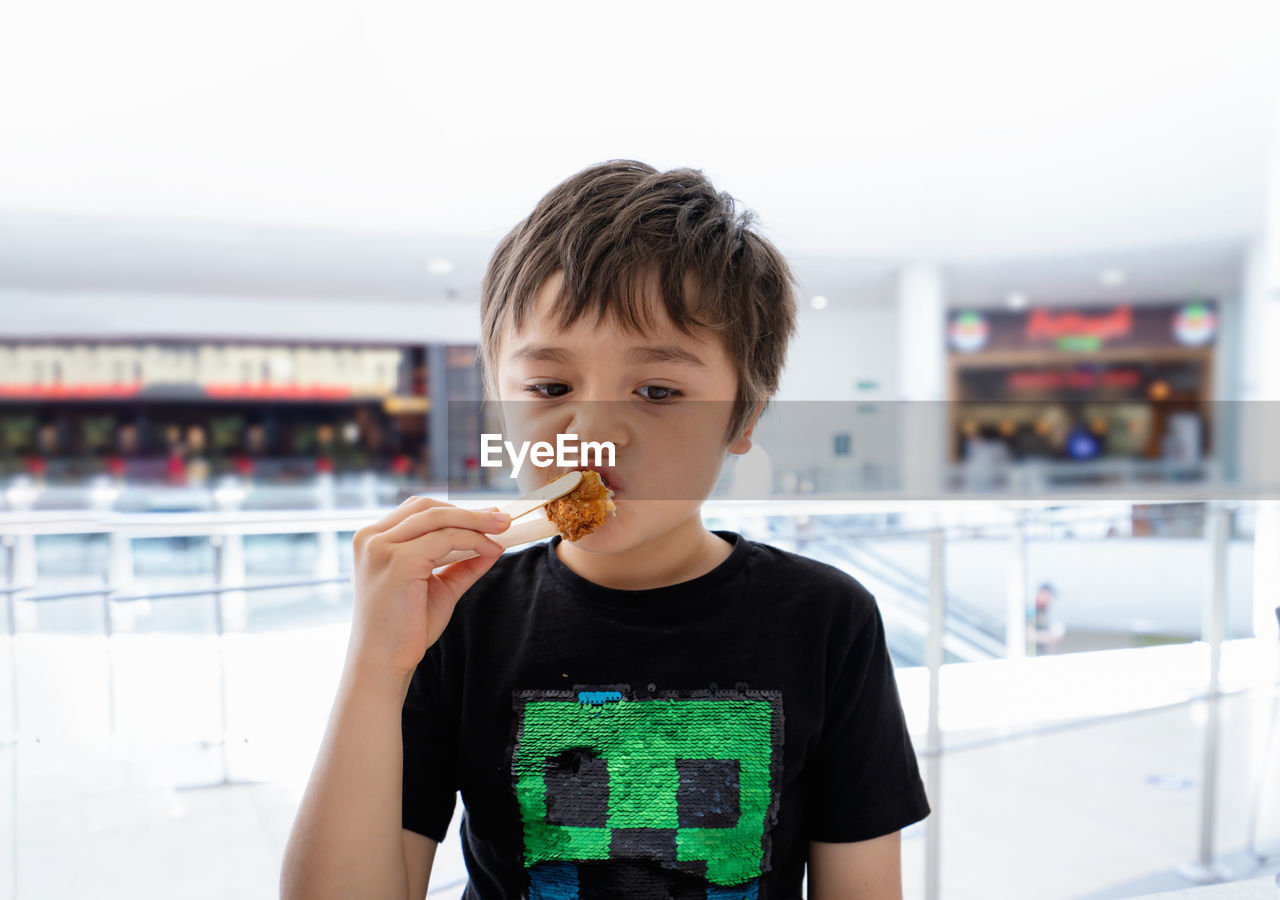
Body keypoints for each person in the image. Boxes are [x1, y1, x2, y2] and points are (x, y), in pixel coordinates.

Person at [281, 160, 931, 899]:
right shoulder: (454, 616)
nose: (589, 432)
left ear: (743, 418)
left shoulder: (825, 619)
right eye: (549, 388)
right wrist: (375, 667)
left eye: (659, 391)